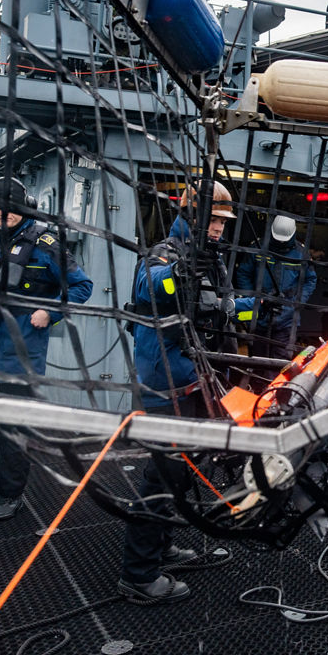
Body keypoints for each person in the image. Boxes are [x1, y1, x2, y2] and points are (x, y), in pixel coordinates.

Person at [0, 177, 94, 521]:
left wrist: (49, 312)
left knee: (13, 427)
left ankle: (11, 494)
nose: (2, 213)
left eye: (10, 207)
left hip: (18, 349)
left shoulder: (46, 243)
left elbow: (82, 286)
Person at [118, 181, 238, 603]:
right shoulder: (164, 256)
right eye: (215, 221)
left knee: (183, 469)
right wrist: (181, 274)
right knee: (163, 474)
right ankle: (138, 574)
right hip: (164, 383)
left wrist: (247, 308)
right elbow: (152, 288)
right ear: (193, 218)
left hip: (194, 380)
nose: (220, 229)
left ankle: (163, 545)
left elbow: (213, 307)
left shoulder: (212, 259)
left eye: (224, 223)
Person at [234, 216, 317, 359]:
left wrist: (296, 303)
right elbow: (243, 273)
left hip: (287, 318)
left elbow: (309, 280)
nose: (280, 243)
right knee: (256, 360)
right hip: (259, 314)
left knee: (281, 362)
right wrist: (251, 300)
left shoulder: (301, 254)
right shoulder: (258, 248)